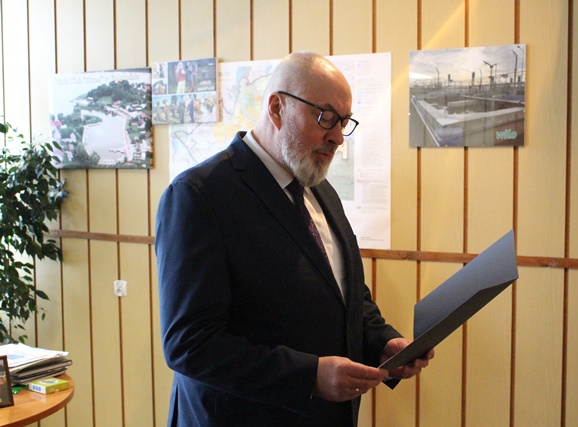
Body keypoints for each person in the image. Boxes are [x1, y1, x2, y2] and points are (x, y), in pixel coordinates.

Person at [155, 51, 434, 427]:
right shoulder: (198, 194)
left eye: (344, 122)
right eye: (326, 118)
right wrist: (308, 376)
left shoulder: (320, 189)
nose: (337, 137)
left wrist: (382, 342)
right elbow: (189, 343)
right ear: (276, 108)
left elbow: (344, 294)